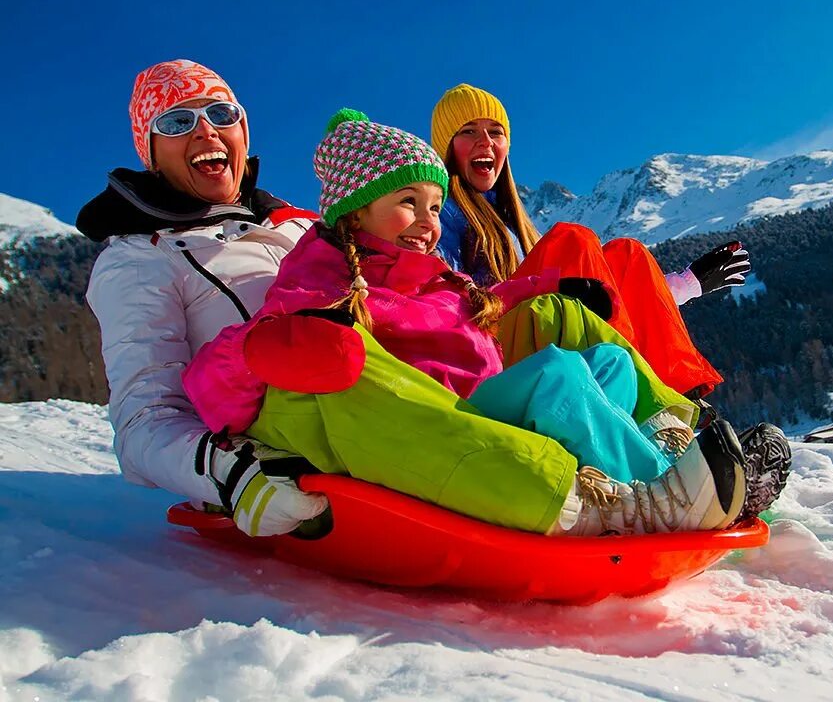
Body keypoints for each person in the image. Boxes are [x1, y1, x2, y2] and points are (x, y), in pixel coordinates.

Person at [182, 110, 758, 536]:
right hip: (443, 418)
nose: (428, 222)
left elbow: (485, 299)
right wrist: (286, 344)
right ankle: (665, 490)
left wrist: (552, 286)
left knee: (605, 359)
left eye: (435, 206)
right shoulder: (325, 270)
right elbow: (258, 347)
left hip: (483, 397)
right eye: (408, 202)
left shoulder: (426, 271)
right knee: (557, 376)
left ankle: (674, 435)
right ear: (356, 210)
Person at [80, 59, 330, 539]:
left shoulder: (302, 226)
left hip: (391, 396)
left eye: (221, 114)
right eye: (177, 122)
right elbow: (144, 420)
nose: (206, 132)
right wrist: (233, 473)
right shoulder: (141, 258)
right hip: (287, 450)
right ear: (151, 153)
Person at [430, 83, 750, 399]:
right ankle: (633, 387)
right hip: (493, 345)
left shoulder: (512, 223)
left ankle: (684, 397)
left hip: (539, 326)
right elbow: (446, 298)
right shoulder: (442, 211)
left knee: (626, 253)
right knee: (571, 239)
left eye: (495, 132)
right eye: (469, 131)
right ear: (448, 147)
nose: (485, 141)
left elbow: (601, 295)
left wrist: (686, 284)